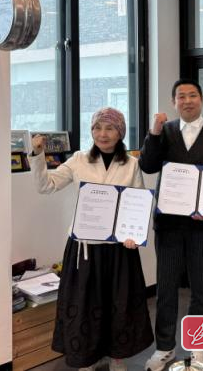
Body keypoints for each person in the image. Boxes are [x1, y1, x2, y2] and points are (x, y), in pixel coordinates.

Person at [29, 107, 154, 371]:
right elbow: (45, 186)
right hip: (83, 248)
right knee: (85, 305)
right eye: (97, 128)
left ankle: (117, 358)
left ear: (120, 133)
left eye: (109, 128)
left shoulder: (131, 164)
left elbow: (138, 202)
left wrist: (134, 235)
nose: (102, 134)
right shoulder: (79, 160)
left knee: (119, 304)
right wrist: (38, 155)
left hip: (120, 248)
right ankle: (86, 360)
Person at [139, 78, 203, 371]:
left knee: (201, 289)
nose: (187, 100)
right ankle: (164, 348)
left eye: (192, 95)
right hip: (169, 225)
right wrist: (154, 132)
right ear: (174, 102)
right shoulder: (164, 131)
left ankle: (199, 350)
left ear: (202, 99)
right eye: (181, 96)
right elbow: (147, 165)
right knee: (166, 289)